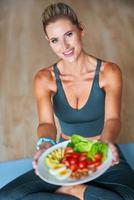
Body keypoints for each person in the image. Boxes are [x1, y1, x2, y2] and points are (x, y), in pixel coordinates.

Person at [0, 2, 134, 200]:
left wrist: (105, 145)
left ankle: (72, 191)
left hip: (102, 150)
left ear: (81, 30)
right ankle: (85, 193)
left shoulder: (109, 72)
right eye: (55, 40)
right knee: (7, 196)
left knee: (128, 196)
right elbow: (46, 123)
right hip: (66, 154)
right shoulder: (44, 78)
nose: (64, 46)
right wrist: (45, 145)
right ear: (48, 41)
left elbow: (112, 120)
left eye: (68, 35)